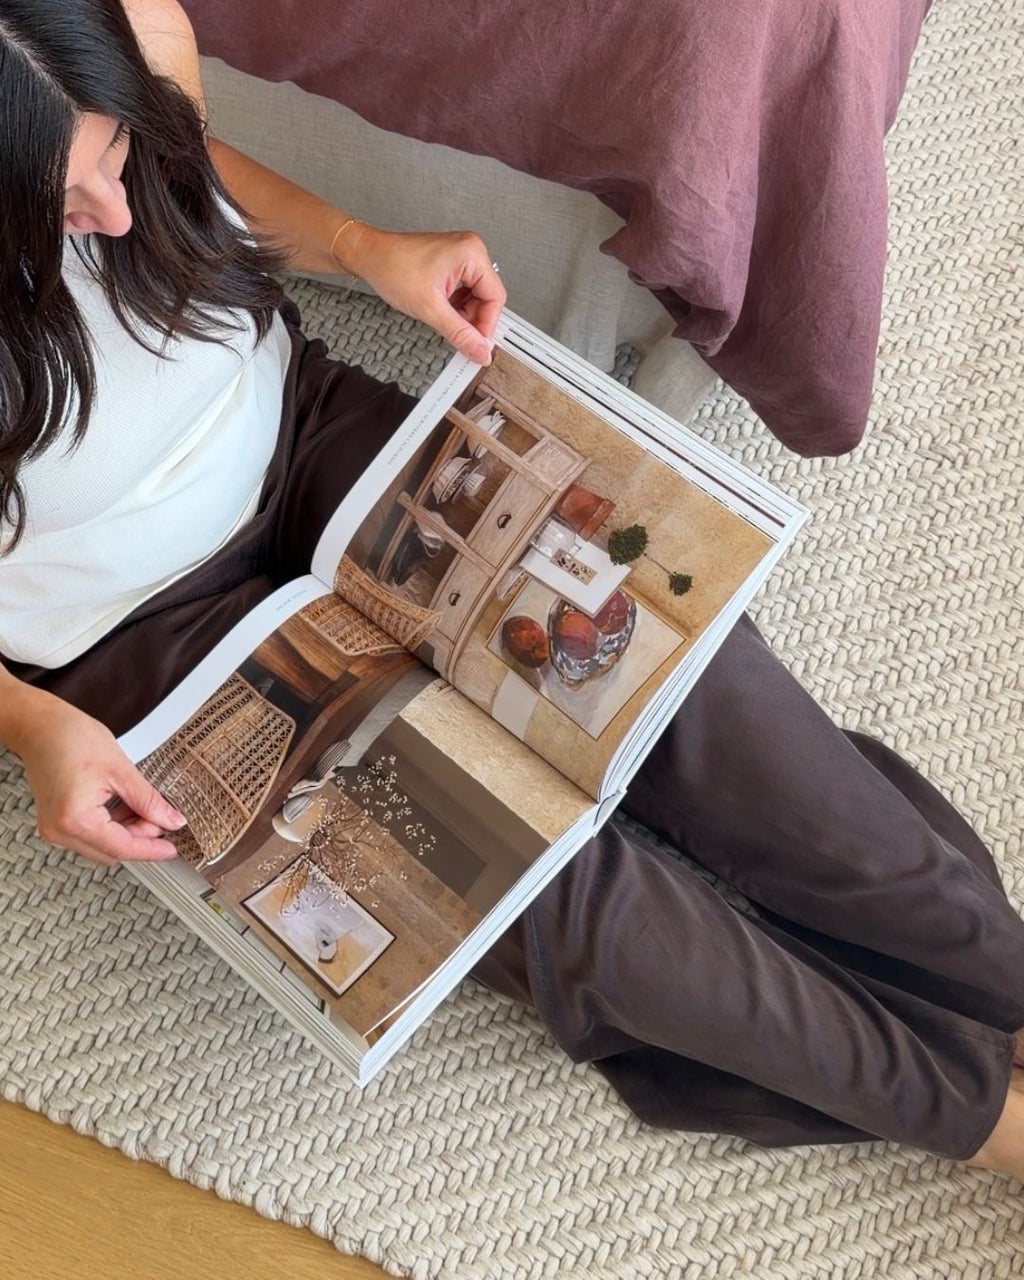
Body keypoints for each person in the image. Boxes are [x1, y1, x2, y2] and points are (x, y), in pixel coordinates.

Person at [1, 0, 1022, 1182]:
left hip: (310, 430)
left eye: (116, 153)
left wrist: (360, 245)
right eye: (62, 209)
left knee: (686, 687)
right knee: (553, 897)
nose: (117, 215)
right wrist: (33, 728)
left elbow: (193, 182)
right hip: (134, 634)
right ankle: (986, 1123)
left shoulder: (107, 32)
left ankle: (1001, 972)